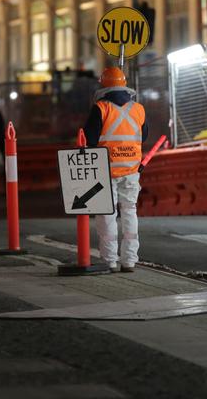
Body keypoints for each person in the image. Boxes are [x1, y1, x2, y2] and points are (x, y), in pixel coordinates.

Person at [84, 66, 148, 272]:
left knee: (107, 215)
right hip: (131, 170)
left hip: (106, 170)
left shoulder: (101, 108)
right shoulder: (138, 109)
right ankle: (129, 260)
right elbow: (143, 136)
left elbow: (89, 139)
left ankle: (110, 260)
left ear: (103, 85)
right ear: (124, 84)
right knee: (130, 212)